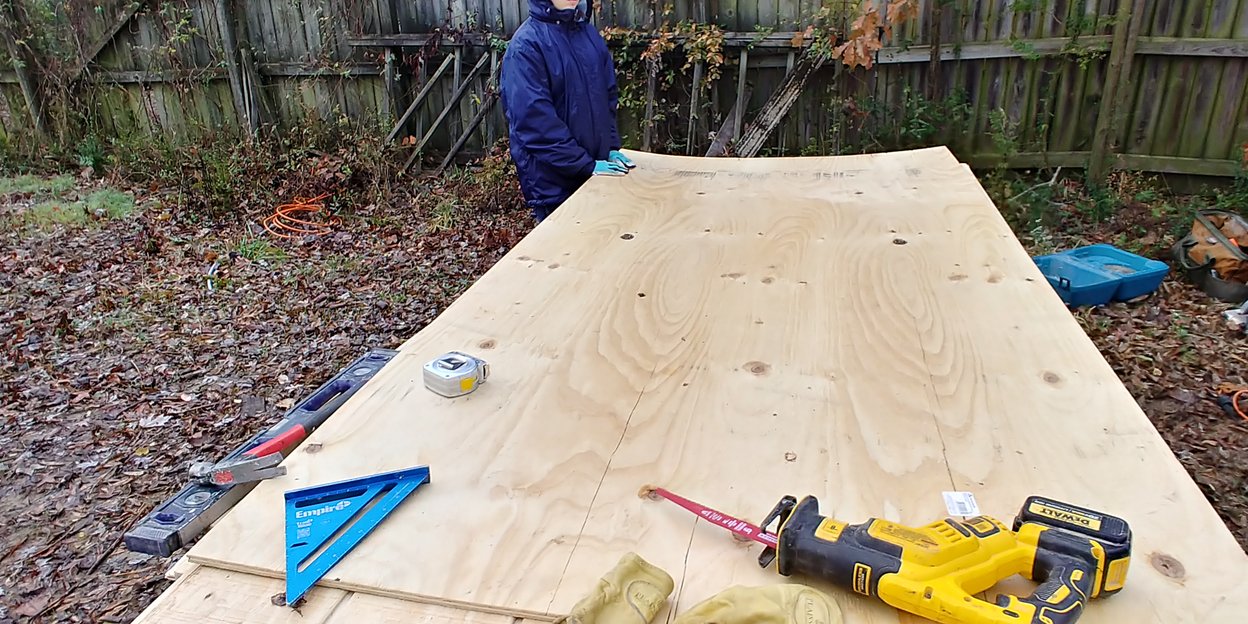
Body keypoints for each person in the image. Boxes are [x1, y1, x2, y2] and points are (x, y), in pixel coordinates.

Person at [500, 0, 635, 222]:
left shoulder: (588, 35)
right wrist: (584, 165)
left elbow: (607, 98)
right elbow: (535, 124)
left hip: (597, 178)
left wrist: (610, 147)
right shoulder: (526, 46)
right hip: (554, 187)